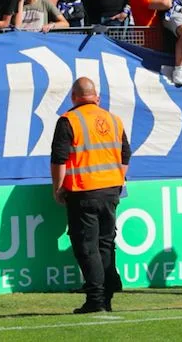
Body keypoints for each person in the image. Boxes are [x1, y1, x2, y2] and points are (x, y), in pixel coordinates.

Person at [50, 77, 131, 314]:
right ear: (97, 97)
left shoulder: (68, 120)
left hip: (83, 191)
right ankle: (106, 296)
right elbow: (126, 154)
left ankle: (95, 299)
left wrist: (58, 188)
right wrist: (116, 178)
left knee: (87, 246)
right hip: (111, 191)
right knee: (105, 243)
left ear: (74, 97)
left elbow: (59, 159)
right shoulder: (114, 120)